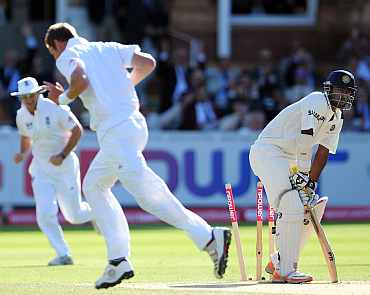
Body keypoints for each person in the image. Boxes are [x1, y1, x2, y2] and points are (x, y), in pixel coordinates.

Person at [43, 22, 231, 289]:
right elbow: (147, 63)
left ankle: (209, 238)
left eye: (52, 52)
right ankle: (118, 259)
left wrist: (62, 100)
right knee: (94, 186)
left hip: (117, 132)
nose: (55, 57)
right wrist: (123, 86)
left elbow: (81, 79)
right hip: (130, 126)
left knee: (150, 197)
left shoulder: (67, 56)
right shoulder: (107, 47)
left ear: (56, 45)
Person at [249, 70, 357, 283]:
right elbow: (305, 140)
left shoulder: (336, 119)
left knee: (312, 204)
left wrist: (311, 183)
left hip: (288, 159)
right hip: (269, 151)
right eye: (339, 91)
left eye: (347, 93)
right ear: (329, 89)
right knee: (291, 201)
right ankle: (286, 270)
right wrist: (303, 174)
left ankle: (280, 261)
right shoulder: (317, 101)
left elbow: (323, 153)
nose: (342, 96)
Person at [11, 77, 94, 266]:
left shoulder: (55, 108)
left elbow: (78, 131)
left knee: (74, 216)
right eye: (25, 97)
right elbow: (25, 136)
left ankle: (97, 211)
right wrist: (23, 153)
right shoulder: (21, 115)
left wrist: (62, 155)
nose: (29, 100)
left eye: (31, 96)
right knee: (44, 214)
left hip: (64, 167)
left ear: (38, 94)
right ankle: (63, 254)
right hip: (41, 170)